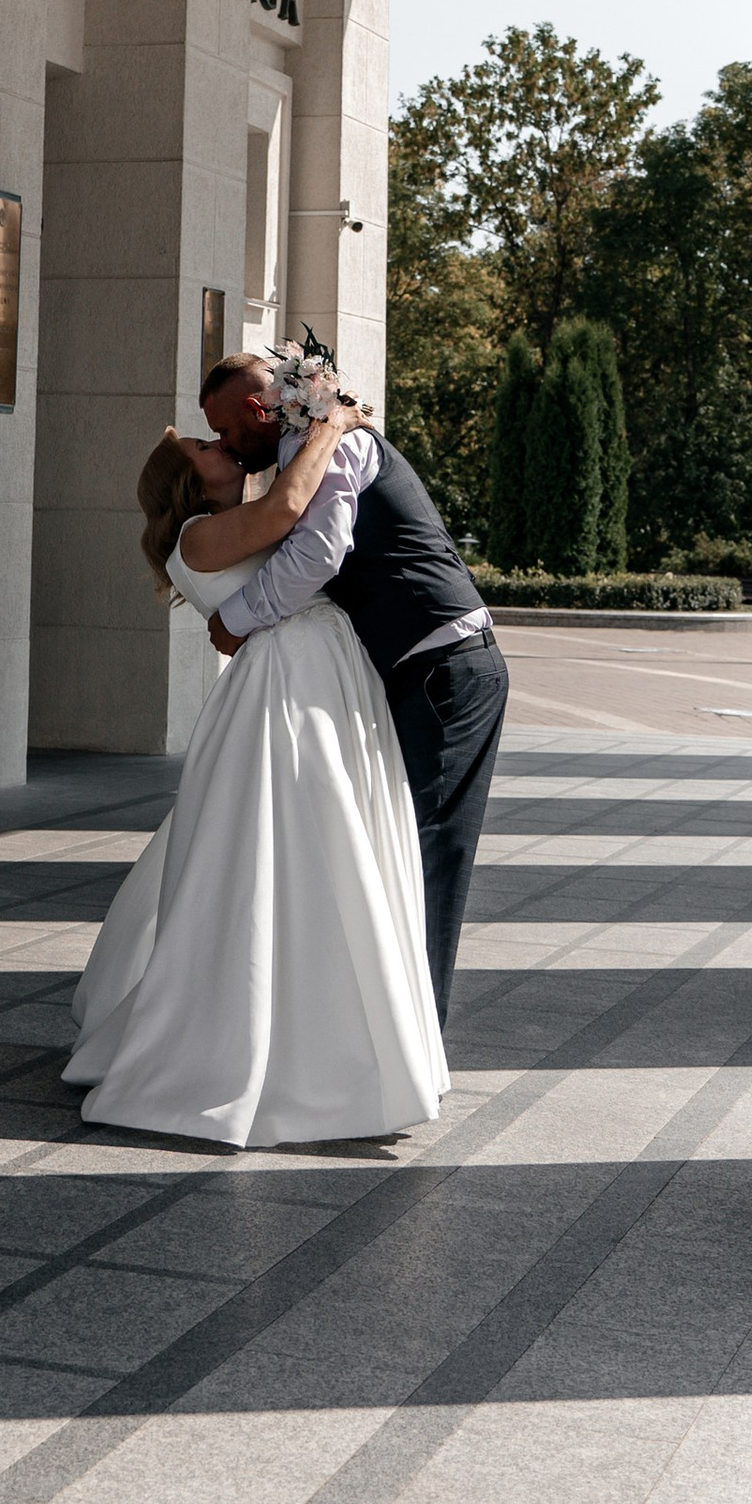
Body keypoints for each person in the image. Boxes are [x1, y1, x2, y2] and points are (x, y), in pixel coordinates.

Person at [65, 396, 446, 1149]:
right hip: (288, 685)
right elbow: (290, 508)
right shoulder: (199, 536)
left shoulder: (217, 523)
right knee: (303, 838)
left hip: (321, 669)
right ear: (185, 480)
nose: (220, 444)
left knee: (330, 835)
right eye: (204, 446)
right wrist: (331, 423)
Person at [196, 352, 508, 1021]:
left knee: (429, 853)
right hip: (416, 669)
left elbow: (319, 553)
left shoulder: (336, 443)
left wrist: (238, 619)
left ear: (257, 410)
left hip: (448, 669)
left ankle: (418, 1037)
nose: (224, 445)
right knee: (394, 844)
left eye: (224, 431)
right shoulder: (304, 450)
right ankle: (383, 1025)